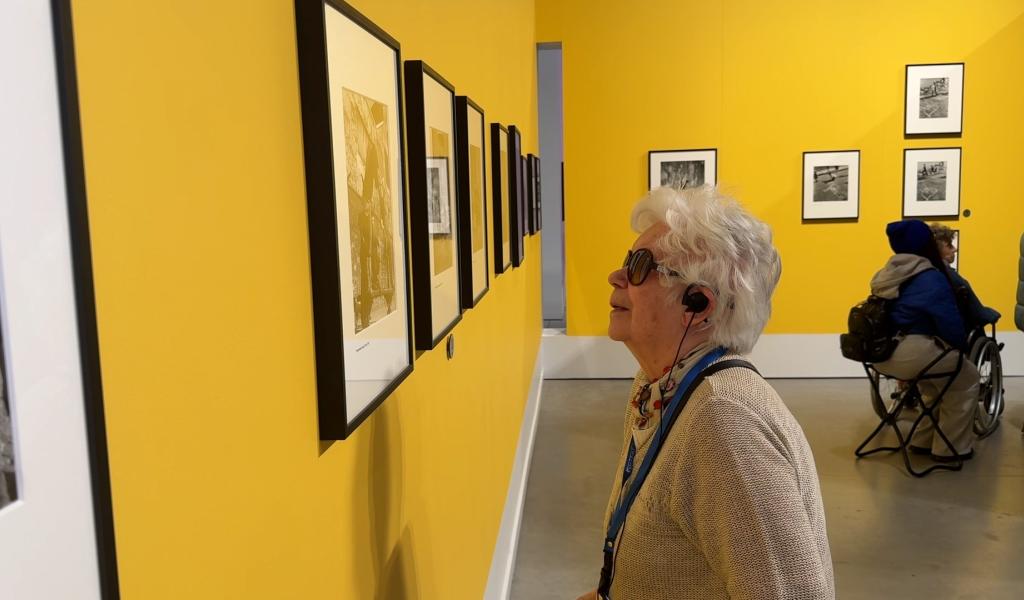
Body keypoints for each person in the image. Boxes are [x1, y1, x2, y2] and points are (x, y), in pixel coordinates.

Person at [577, 186, 834, 600]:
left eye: (640, 266)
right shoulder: (656, 386)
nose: (616, 276)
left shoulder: (725, 422)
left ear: (698, 305)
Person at [869, 220, 980, 461]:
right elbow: (950, 324)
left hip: (879, 355)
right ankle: (950, 448)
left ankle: (922, 440)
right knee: (967, 378)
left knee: (934, 384)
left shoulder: (885, 273)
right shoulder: (930, 276)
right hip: (913, 353)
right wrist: (962, 348)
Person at [928, 222, 1001, 330]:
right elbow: (979, 314)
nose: (955, 249)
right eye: (949, 246)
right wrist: (990, 315)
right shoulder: (951, 277)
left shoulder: (923, 273)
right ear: (937, 250)